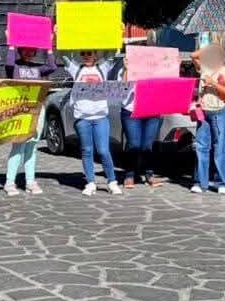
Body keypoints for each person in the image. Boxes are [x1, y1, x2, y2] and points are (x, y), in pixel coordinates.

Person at [69, 50, 121, 195]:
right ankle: (90, 182)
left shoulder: (102, 67)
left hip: (100, 117)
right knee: (87, 151)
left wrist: (117, 38)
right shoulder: (76, 68)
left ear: (95, 55)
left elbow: (112, 52)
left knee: (103, 151)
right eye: (83, 53)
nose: (86, 56)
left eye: (89, 53)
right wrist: (55, 41)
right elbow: (62, 56)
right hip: (82, 118)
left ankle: (112, 182)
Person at [3, 46, 46, 196]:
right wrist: (11, 45)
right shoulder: (15, 67)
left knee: (32, 147)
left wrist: (49, 48)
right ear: (20, 51)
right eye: (25, 50)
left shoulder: (38, 68)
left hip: (37, 109)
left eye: (31, 50)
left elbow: (53, 66)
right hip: (21, 110)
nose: (28, 53)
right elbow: (8, 64)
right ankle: (10, 182)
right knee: (18, 146)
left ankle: (30, 181)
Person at [191, 43, 225, 194]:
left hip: (219, 112)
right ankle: (200, 182)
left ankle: (222, 182)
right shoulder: (205, 68)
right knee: (201, 147)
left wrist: (213, 83)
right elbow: (193, 56)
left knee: (220, 148)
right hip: (203, 112)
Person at [119, 61, 165, 189]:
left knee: (147, 145)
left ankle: (149, 174)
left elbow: (166, 83)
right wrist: (127, 69)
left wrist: (173, 65)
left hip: (152, 110)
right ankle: (130, 174)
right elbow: (122, 89)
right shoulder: (125, 69)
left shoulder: (156, 69)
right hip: (131, 111)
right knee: (134, 144)